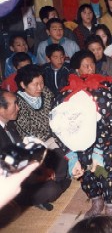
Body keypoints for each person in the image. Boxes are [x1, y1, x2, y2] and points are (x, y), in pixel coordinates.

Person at [51, 50, 112, 219]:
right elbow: (58, 125)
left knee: (108, 172)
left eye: (92, 64)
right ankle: (96, 200)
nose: (90, 68)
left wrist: (101, 150)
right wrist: (70, 153)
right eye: (85, 65)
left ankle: (111, 205)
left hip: (106, 142)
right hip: (80, 145)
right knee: (87, 173)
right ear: (77, 70)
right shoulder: (64, 94)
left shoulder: (105, 89)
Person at [14, 65, 71, 210]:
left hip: (52, 136)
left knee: (66, 155)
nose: (40, 87)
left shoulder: (45, 92)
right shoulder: (17, 103)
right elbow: (32, 130)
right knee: (61, 157)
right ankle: (55, 186)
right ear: (23, 85)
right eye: (35, 84)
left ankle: (56, 183)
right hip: (35, 144)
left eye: (42, 82)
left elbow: (56, 113)